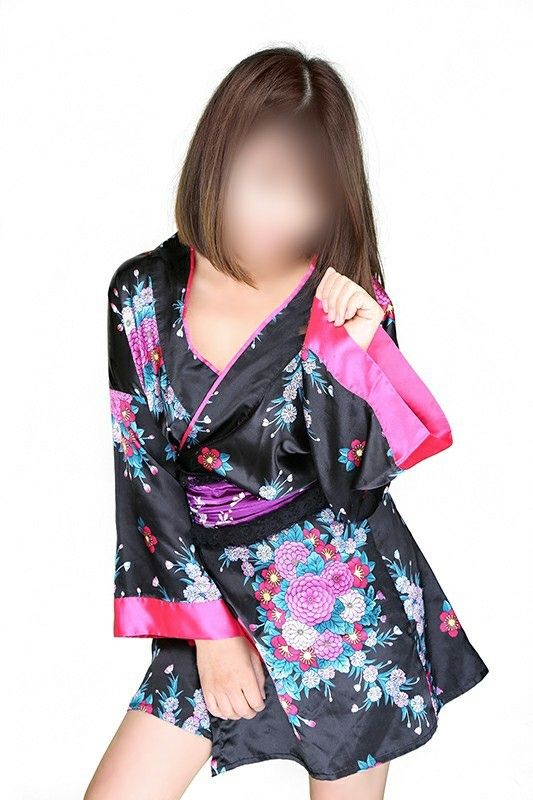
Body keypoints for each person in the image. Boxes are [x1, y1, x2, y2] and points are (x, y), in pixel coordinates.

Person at [85, 46, 489, 800]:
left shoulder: (345, 298)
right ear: (218, 158)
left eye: (310, 193)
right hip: (209, 584)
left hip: (338, 597)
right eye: (267, 180)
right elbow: (142, 467)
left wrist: (358, 351)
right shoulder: (140, 291)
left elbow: (358, 483)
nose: (286, 214)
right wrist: (210, 632)